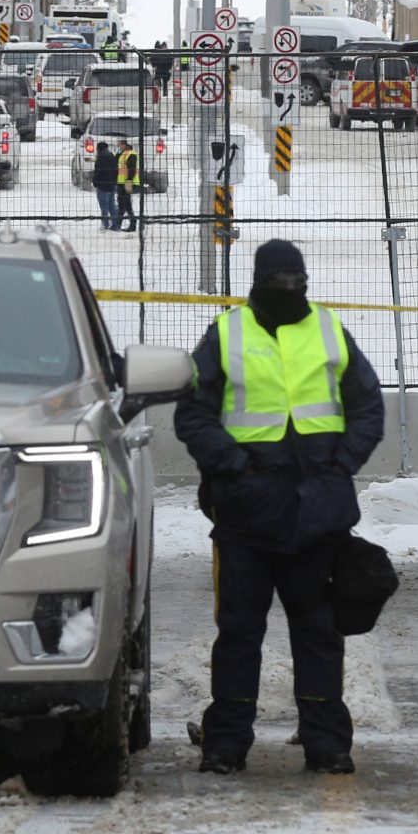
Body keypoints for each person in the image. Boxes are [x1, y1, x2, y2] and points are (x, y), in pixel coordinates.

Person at [174, 239, 385, 777]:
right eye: (279, 281)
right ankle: (225, 746)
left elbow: (367, 406)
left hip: (315, 516)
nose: (289, 290)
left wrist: (339, 469)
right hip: (245, 516)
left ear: (306, 281)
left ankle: (328, 747)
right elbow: (193, 414)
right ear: (259, 281)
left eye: (296, 280)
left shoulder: (329, 330)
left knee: (318, 635)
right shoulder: (228, 333)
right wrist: (235, 468)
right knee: (240, 634)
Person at [90, 134, 121, 228]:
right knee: (112, 205)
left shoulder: (100, 159)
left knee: (104, 207)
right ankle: (115, 224)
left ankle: (105, 224)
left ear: (99, 149)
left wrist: (95, 182)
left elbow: (98, 173)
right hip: (111, 185)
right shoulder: (112, 157)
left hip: (102, 186)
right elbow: (116, 171)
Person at [114, 139, 141, 231]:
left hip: (128, 183)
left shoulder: (131, 154)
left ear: (124, 145)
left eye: (120, 145)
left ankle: (126, 223)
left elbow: (132, 169)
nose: (119, 147)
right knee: (123, 204)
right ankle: (121, 224)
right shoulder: (122, 154)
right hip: (121, 182)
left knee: (125, 204)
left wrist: (129, 180)